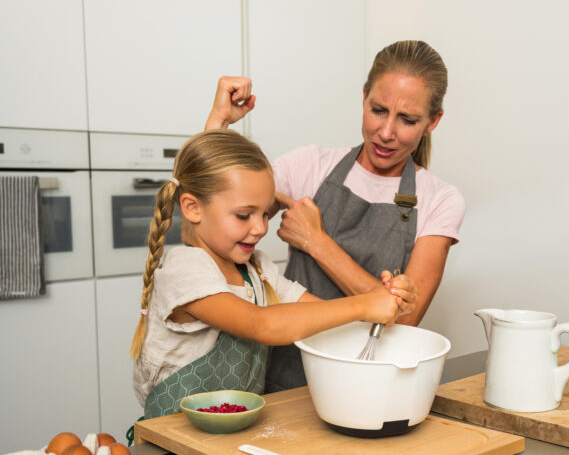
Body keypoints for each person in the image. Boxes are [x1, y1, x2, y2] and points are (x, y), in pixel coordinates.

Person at [204, 39, 466, 392]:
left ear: (433, 121)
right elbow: (209, 209)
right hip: (286, 381)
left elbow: (406, 318)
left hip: (372, 387)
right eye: (378, 110)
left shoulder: (440, 200)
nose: (386, 132)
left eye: (407, 120)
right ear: (363, 98)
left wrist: (316, 241)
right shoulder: (310, 166)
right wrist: (218, 122)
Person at [131, 129, 416, 417]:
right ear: (192, 208)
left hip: (230, 434)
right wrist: (363, 305)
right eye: (244, 215)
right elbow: (262, 324)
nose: (261, 228)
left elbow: (320, 314)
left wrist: (385, 300)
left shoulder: (258, 268)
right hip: (173, 441)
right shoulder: (185, 269)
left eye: (266, 213)